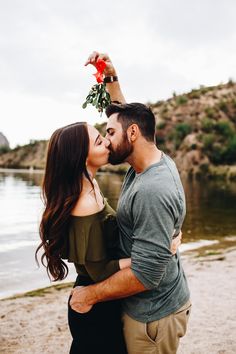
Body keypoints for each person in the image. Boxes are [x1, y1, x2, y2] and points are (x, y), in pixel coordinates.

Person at [70, 52, 191, 354]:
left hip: (152, 318)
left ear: (133, 134)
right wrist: (111, 78)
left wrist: (89, 296)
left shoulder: (153, 189)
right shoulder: (147, 160)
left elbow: (147, 274)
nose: (107, 140)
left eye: (109, 133)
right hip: (148, 307)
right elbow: (125, 119)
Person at [35, 110, 181, 350]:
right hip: (96, 306)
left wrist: (111, 80)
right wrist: (159, 251)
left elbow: (132, 126)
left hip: (104, 298)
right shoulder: (84, 205)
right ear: (81, 156)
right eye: (98, 140)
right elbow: (100, 270)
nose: (107, 140)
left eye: (105, 134)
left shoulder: (90, 184)